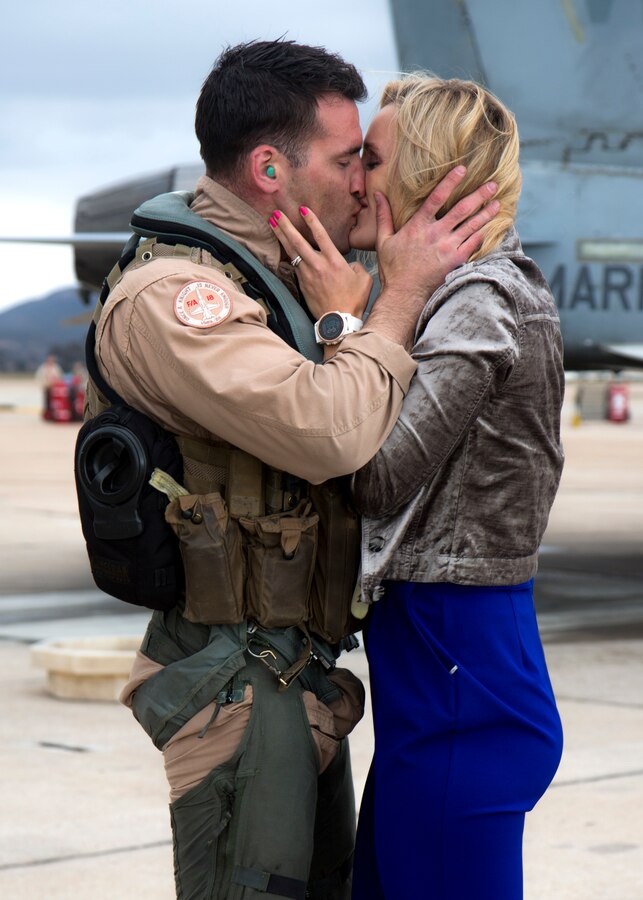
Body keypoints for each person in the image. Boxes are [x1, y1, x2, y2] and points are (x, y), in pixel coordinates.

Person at [86, 40, 499, 900]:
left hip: (291, 671)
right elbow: (330, 433)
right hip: (234, 677)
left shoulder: (283, 280)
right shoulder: (176, 297)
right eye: (349, 158)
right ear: (270, 167)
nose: (362, 181)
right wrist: (390, 304)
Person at [271, 74, 564, 900]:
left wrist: (343, 327)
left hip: (460, 689)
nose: (355, 179)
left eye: (371, 159)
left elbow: (376, 476)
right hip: (436, 686)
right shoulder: (454, 297)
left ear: (431, 181)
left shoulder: (481, 299)